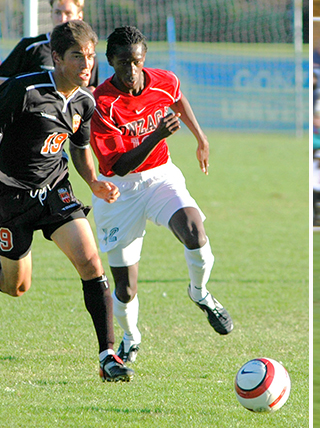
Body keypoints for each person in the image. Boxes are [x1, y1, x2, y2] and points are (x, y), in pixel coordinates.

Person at [90, 26, 234, 364]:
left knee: (195, 230)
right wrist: (156, 135)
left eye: (136, 61)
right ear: (110, 62)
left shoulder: (162, 80)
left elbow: (177, 98)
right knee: (125, 288)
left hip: (159, 177)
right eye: (122, 63)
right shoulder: (102, 103)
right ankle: (131, 336)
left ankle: (200, 293)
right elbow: (120, 165)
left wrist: (201, 138)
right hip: (118, 191)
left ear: (144, 59)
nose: (131, 70)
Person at [0, 20, 133, 382]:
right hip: (9, 198)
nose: (86, 65)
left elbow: (79, 148)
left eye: (90, 56)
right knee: (17, 287)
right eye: (77, 57)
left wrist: (93, 181)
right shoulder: (23, 91)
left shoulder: (84, 101)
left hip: (55, 192)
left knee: (91, 262)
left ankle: (108, 356)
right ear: (57, 57)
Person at [0, 0, 99, 91]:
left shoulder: (86, 54)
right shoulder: (31, 47)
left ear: (79, 17)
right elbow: (2, 80)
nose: (62, 19)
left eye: (68, 13)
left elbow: (90, 89)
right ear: (51, 14)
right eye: (57, 13)